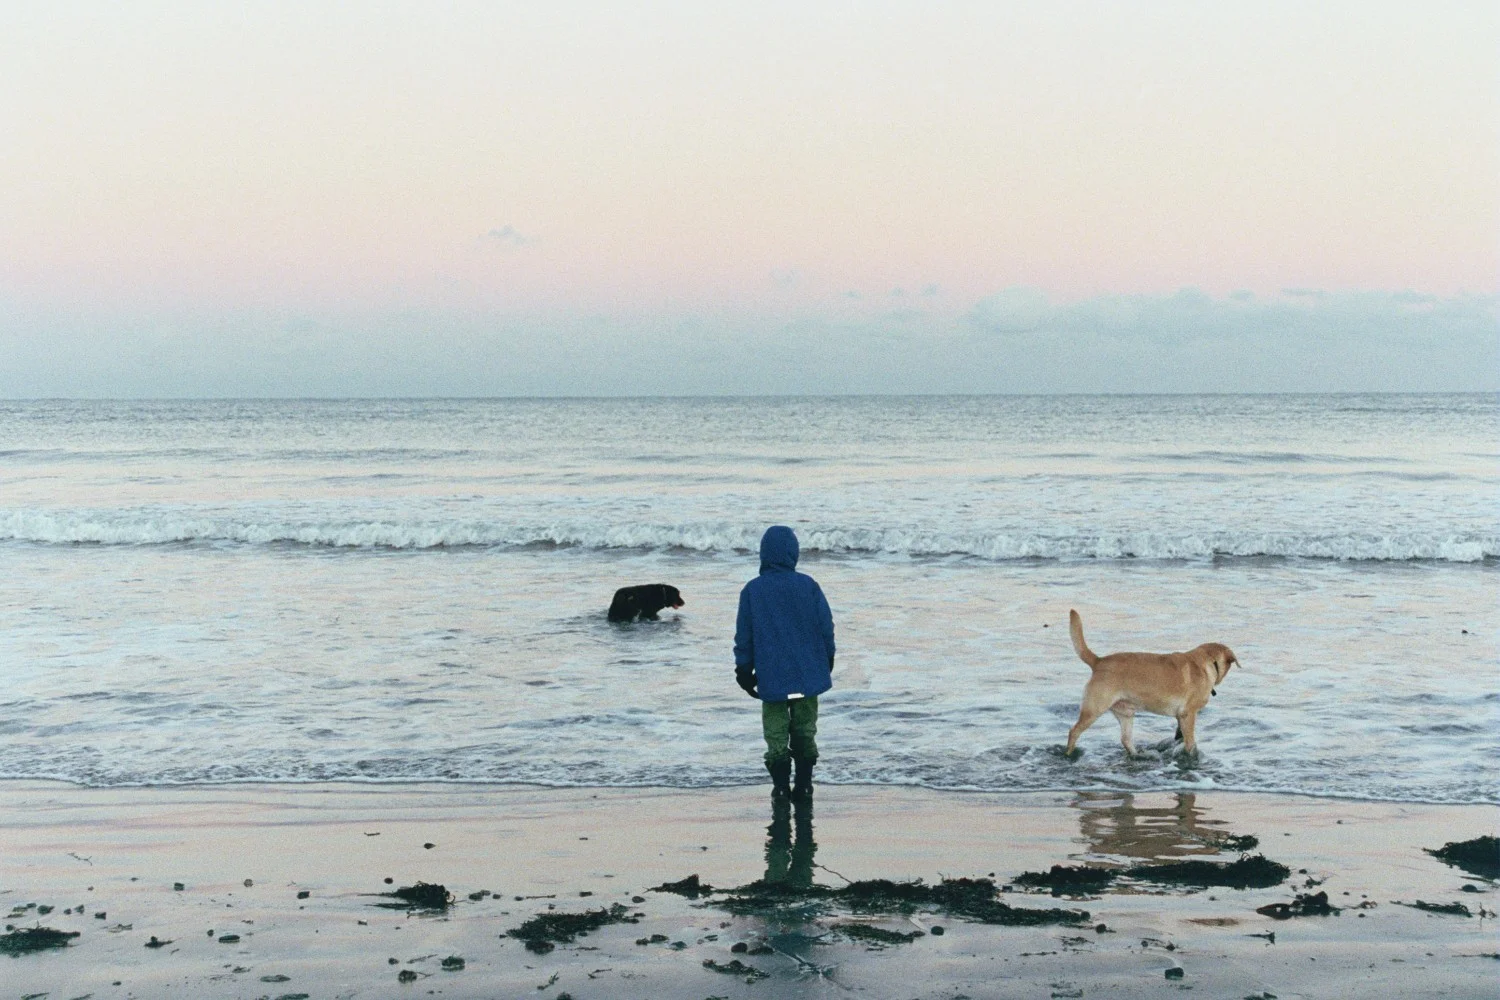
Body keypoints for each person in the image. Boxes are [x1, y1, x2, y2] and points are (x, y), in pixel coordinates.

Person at [733, 525, 836, 801]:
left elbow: (745, 636)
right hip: (808, 673)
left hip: (771, 676)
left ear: (763, 554)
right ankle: (803, 784)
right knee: (805, 730)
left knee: (775, 735)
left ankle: (780, 786)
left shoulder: (752, 591)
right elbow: (825, 627)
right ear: (794, 553)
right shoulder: (809, 586)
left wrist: (743, 670)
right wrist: (828, 657)